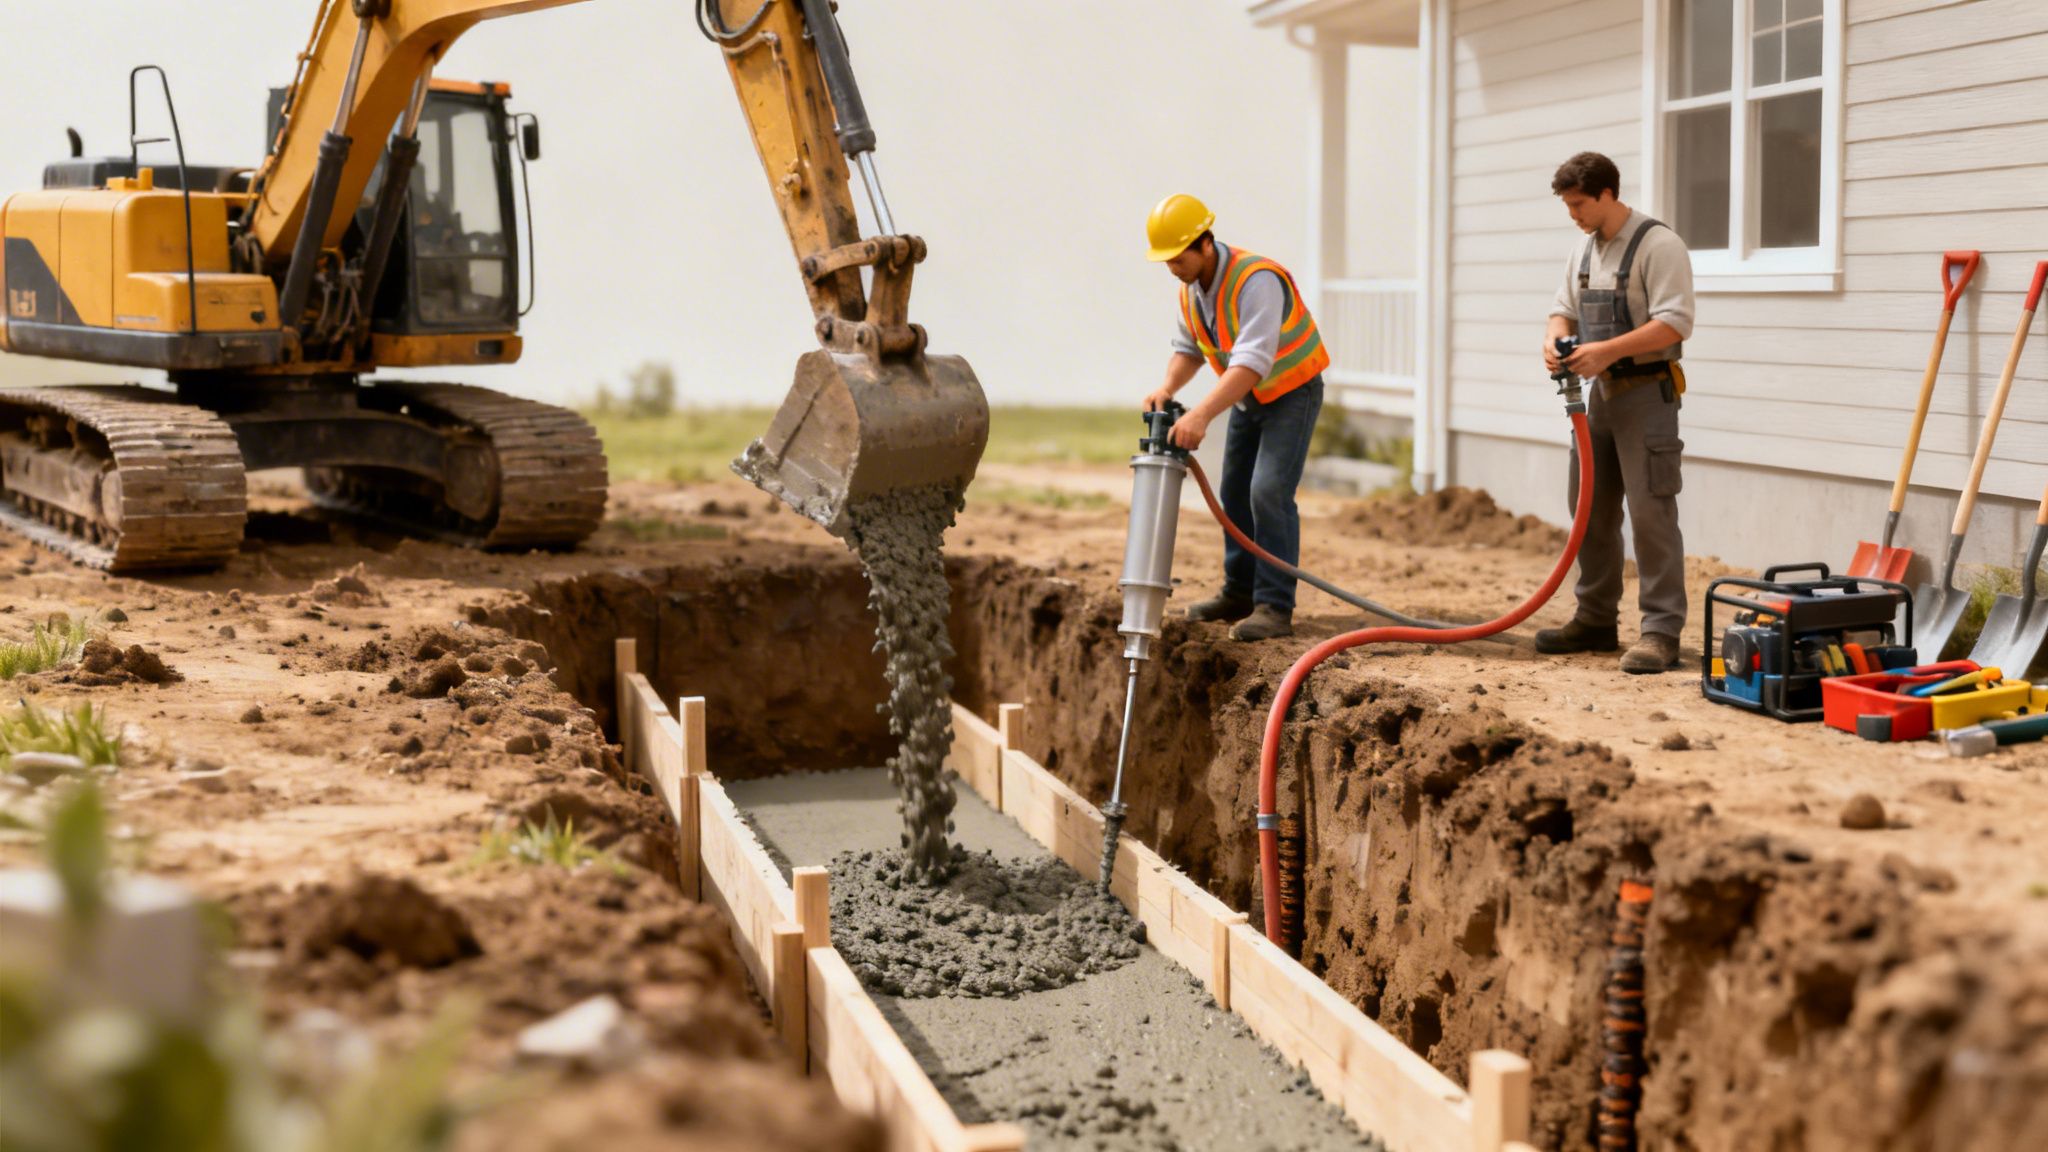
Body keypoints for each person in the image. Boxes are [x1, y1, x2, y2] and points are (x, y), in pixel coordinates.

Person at [1140, 193, 1329, 643]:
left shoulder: (1256, 280)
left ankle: (1274, 607)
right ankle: (1240, 592)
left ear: (1205, 243)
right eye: (1166, 260)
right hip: (1249, 398)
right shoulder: (1191, 291)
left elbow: (1252, 361)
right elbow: (1189, 350)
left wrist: (1202, 415)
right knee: (1234, 491)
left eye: (1177, 257)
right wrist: (1167, 389)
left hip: (1291, 392)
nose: (1172, 268)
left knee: (1268, 491)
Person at [1538, 152, 1696, 674]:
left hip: (1647, 395)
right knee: (1588, 508)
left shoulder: (1659, 245)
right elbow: (1562, 309)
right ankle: (1595, 619)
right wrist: (1555, 339)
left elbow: (1675, 322)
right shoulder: (1584, 250)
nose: (1573, 215)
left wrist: (1606, 350)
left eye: (1579, 204)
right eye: (1568, 206)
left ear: (1607, 194)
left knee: (1652, 514)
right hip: (1599, 397)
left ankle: (1660, 631)